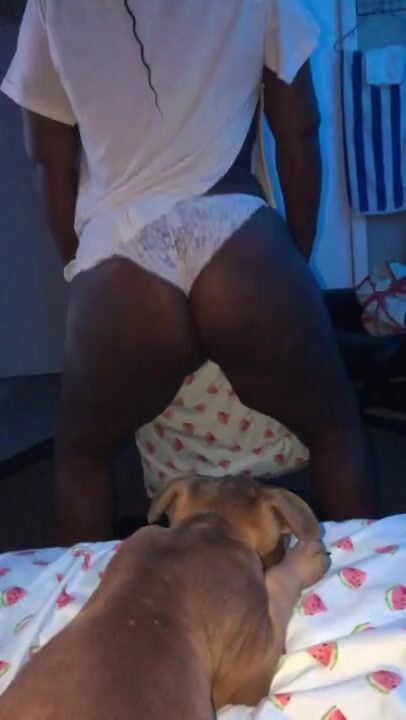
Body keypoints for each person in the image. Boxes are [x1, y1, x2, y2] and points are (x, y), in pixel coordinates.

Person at [2, 0, 377, 545]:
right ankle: (371, 585)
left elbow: (49, 162)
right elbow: (298, 131)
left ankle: (97, 597)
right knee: (335, 429)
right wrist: (290, 258)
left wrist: (80, 268)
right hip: (234, 231)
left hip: (120, 250)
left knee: (82, 457)